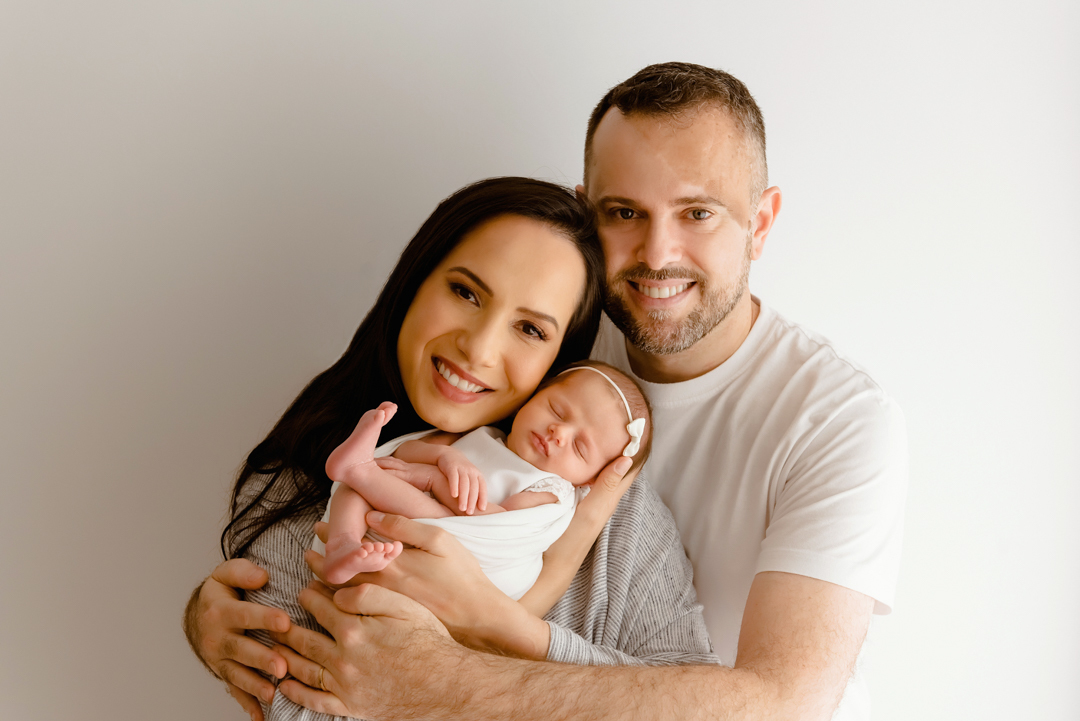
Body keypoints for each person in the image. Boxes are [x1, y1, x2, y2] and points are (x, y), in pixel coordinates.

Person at [218, 63, 908, 721]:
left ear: (760, 222)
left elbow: (786, 706)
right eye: (624, 211)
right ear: (587, 215)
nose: (658, 253)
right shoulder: (550, 351)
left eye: (698, 213)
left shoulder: (835, 421)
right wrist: (205, 615)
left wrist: (447, 673)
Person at [183, 176, 715, 721]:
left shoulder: (613, 512)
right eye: (465, 293)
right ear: (415, 282)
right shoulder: (297, 486)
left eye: (531, 329)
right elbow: (300, 710)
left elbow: (703, 705)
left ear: (560, 362)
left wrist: (479, 651)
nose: (479, 349)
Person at [320, 360, 653, 600]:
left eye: (580, 447)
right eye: (557, 410)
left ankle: (360, 471)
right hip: (388, 515)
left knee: (394, 492)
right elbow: (404, 454)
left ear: (591, 480)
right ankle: (342, 544)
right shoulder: (488, 435)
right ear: (535, 395)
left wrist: (433, 479)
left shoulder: (551, 491)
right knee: (361, 484)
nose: (559, 433)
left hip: (455, 538)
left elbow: (493, 524)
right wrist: (444, 456)